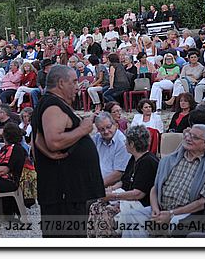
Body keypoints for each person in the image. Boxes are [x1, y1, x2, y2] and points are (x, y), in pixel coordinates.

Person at [31, 64, 105, 237]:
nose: (77, 86)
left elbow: (38, 140)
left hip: (66, 192)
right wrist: (83, 129)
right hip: (64, 193)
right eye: (73, 81)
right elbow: (54, 141)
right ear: (61, 83)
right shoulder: (53, 106)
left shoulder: (49, 104)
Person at [122, 125, 205, 237]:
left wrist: (171, 214)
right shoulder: (169, 160)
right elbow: (155, 188)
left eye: (194, 137)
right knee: (132, 216)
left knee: (175, 223)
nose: (188, 138)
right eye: (188, 134)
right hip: (160, 209)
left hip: (186, 213)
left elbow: (203, 202)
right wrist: (155, 210)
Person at [88, 124, 159, 237]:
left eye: (126, 141)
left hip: (139, 203)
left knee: (106, 212)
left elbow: (138, 193)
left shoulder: (148, 162)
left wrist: (113, 196)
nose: (124, 144)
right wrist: (111, 189)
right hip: (126, 197)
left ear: (131, 144)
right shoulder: (134, 158)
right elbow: (125, 180)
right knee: (95, 206)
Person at [92, 112, 131, 188]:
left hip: (111, 187)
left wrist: (96, 186)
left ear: (116, 125)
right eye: (102, 129)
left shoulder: (122, 142)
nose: (106, 131)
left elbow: (118, 174)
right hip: (95, 181)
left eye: (108, 127)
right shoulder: (97, 138)